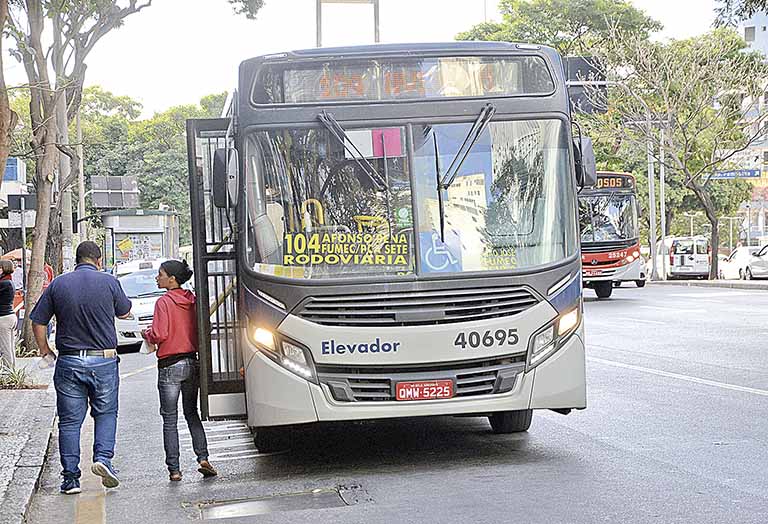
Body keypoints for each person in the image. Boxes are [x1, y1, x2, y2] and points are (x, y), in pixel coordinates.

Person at [30, 241, 132, 495]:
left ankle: (71, 479)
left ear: (77, 260)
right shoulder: (108, 282)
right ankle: (103, 460)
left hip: (69, 361)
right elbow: (124, 311)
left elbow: (38, 321)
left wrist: (45, 350)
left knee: (69, 422)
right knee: (106, 413)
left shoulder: (59, 284)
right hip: (104, 360)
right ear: (98, 260)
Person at [142, 260, 216, 482]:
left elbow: (160, 334)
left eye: (161, 274)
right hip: (192, 363)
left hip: (169, 366)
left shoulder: (163, 302)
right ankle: (202, 457)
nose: (157, 277)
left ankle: (174, 470)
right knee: (191, 413)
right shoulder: (192, 300)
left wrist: (147, 333)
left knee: (170, 420)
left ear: (172, 279)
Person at [0, 260, 16, 369]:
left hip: (4, 318)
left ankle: (8, 371)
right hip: (9, 316)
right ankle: (12, 370)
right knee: (10, 347)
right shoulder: (9, 281)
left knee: (5, 348)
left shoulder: (4, 283)